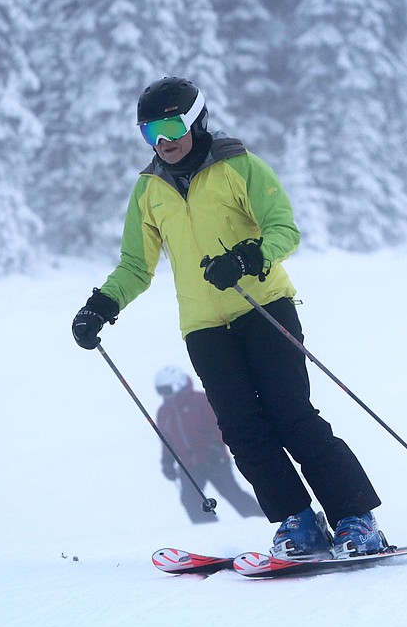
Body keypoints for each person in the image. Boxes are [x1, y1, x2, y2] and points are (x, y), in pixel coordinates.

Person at [71, 76, 383, 558]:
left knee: (292, 417)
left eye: (172, 125)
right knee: (241, 430)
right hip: (204, 329)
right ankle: (297, 522)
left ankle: (355, 518)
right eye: (150, 131)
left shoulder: (239, 166)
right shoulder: (149, 190)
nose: (164, 140)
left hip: (263, 308)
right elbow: (136, 265)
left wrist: (247, 256)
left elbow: (285, 230)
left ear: (196, 120)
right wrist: (101, 305)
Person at [154, 365, 263, 524]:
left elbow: (218, 424)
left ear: (179, 384)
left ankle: (260, 520)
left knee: (232, 493)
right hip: (188, 465)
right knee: (190, 499)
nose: (165, 395)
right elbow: (167, 439)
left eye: (167, 389)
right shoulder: (164, 412)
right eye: (161, 391)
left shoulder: (201, 401)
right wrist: (167, 462)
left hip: (214, 460)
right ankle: (207, 529)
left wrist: (217, 446)